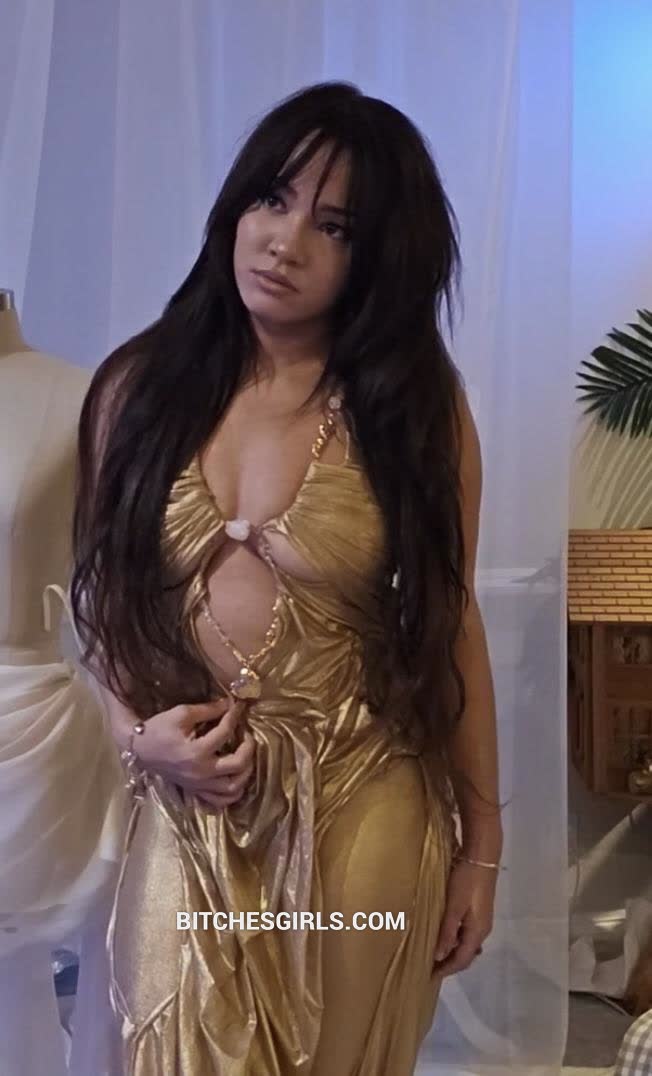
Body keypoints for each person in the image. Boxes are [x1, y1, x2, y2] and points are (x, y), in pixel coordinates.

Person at [71, 80, 502, 1075]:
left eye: (333, 226)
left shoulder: (415, 407)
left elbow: (452, 623)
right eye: (272, 198)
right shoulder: (136, 387)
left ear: (376, 256)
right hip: (189, 798)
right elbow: (103, 603)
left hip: (367, 789)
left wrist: (481, 846)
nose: (285, 242)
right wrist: (140, 736)